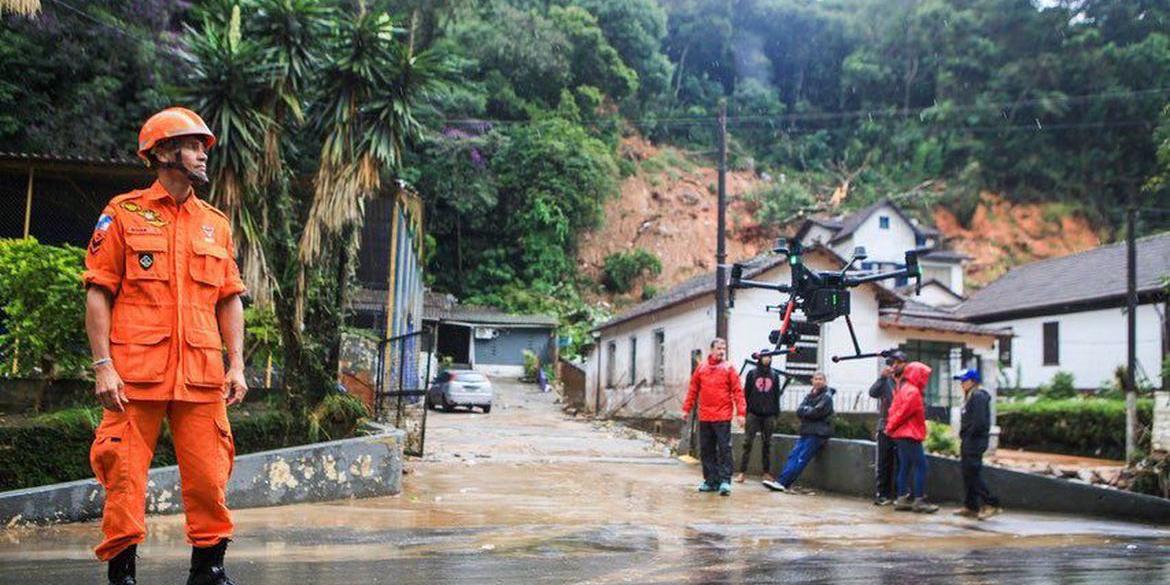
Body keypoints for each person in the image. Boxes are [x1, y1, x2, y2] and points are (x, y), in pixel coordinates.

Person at [85, 107, 247, 585]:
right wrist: (103, 365)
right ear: (162, 152)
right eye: (193, 145)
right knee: (124, 475)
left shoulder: (215, 223)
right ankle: (123, 574)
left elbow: (229, 298)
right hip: (133, 376)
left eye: (202, 146)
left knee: (210, 476)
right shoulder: (122, 213)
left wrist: (236, 364)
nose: (202, 154)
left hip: (200, 375)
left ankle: (209, 571)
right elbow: (99, 291)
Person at [681, 338, 746, 496]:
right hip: (705, 416)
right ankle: (711, 480)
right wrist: (686, 409)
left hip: (722, 416)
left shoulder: (729, 368)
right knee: (706, 450)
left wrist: (741, 413)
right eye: (718, 348)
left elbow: (738, 391)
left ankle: (725, 481)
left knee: (725, 449)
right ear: (711, 350)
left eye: (723, 348)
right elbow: (693, 390)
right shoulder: (701, 368)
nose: (721, 351)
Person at [763, 372, 835, 492]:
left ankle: (783, 482)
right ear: (812, 381)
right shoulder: (810, 395)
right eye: (816, 379)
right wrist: (808, 411)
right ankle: (781, 481)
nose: (818, 381)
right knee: (793, 456)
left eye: (820, 379)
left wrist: (806, 411)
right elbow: (799, 411)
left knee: (801, 458)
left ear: (825, 381)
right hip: (806, 431)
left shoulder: (826, 397)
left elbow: (817, 412)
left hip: (817, 433)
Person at [885, 362, 938, 513]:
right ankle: (919, 501)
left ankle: (902, 498)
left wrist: (890, 428)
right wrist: (890, 427)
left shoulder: (902, 389)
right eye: (925, 376)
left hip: (901, 435)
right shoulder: (913, 392)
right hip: (910, 434)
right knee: (921, 466)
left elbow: (894, 410)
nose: (926, 380)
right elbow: (902, 413)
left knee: (905, 466)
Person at [953, 368, 1002, 520]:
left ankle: (991, 503)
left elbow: (979, 422)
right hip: (969, 440)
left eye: (964, 381)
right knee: (967, 474)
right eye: (961, 381)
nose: (962, 384)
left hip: (974, 441)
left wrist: (968, 434)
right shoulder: (970, 396)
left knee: (973, 473)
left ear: (973, 381)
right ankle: (971, 506)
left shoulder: (978, 396)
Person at [735, 354, 783, 483]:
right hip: (753, 414)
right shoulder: (752, 374)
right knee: (747, 443)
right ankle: (742, 472)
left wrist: (776, 414)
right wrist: (744, 413)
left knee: (767, 444)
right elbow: (746, 393)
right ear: (760, 358)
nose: (767, 359)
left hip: (769, 414)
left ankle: (766, 473)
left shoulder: (774, 375)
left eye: (769, 357)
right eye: (765, 357)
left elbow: (776, 396)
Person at [868, 350, 906, 505]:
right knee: (884, 462)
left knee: (901, 462)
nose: (895, 366)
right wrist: (881, 378)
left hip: (902, 428)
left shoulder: (908, 382)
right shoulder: (886, 381)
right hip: (885, 428)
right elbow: (873, 393)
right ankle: (882, 495)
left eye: (898, 363)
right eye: (893, 363)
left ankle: (900, 494)